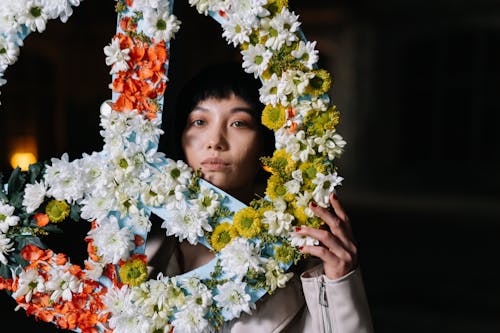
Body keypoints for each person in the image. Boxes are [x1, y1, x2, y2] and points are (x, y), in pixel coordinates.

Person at [146, 62, 374, 332]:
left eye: (238, 123)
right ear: (180, 138)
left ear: (266, 142)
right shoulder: (143, 253)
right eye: (199, 121)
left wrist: (340, 282)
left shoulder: (302, 254)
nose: (215, 141)